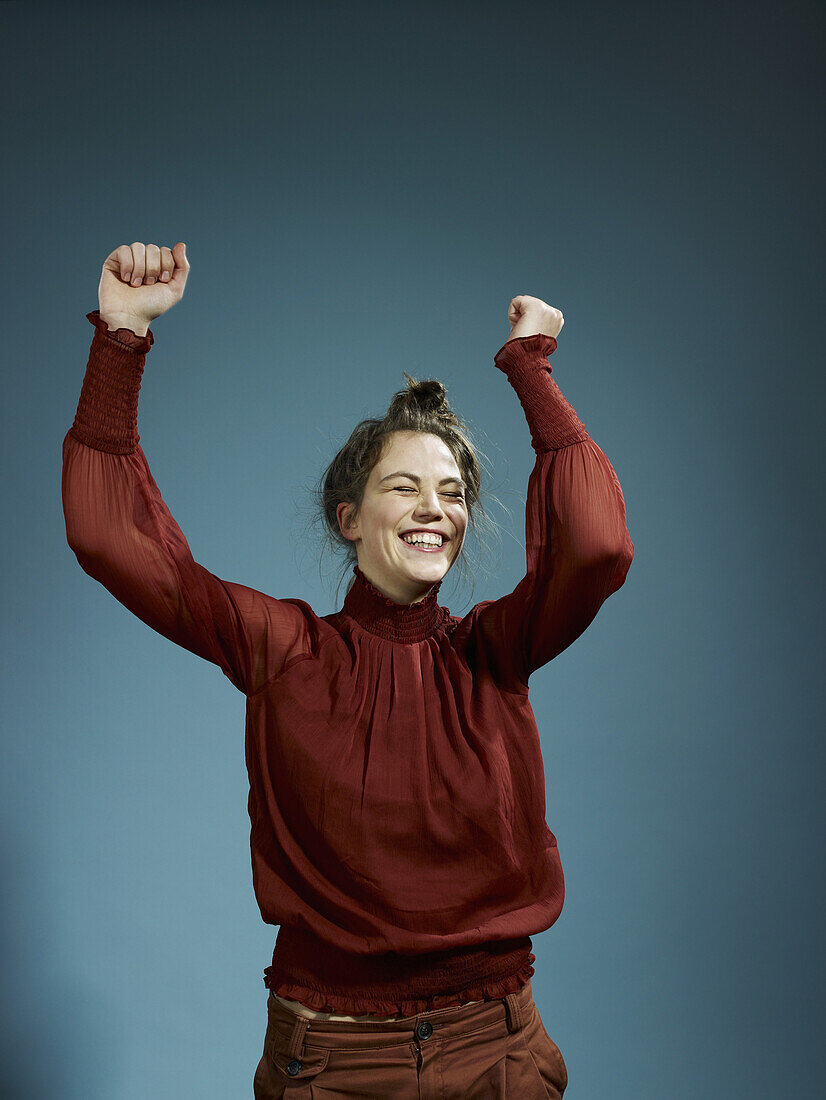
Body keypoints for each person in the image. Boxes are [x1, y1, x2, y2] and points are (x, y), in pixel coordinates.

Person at [62, 240, 634, 1098]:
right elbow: (111, 538)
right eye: (403, 488)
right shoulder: (283, 648)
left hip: (497, 1050)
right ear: (348, 518)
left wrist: (530, 369)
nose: (433, 509)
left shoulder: (494, 651)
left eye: (450, 492)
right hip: (331, 1063)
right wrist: (121, 337)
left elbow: (596, 545)